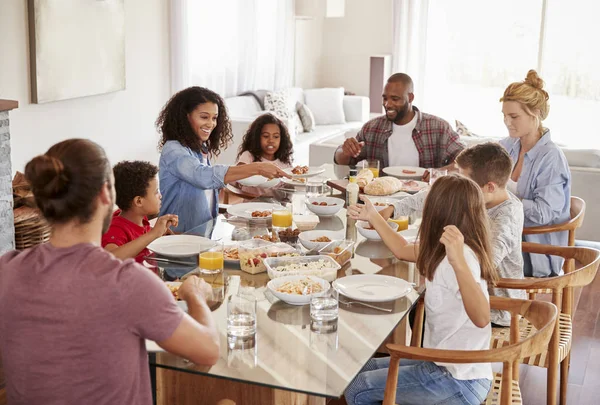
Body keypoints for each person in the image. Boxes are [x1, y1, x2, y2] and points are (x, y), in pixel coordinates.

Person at [0, 139, 220, 405]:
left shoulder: (7, 270)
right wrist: (194, 294)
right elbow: (208, 351)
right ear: (106, 195)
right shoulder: (127, 282)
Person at [344, 174, 496, 405]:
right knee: (358, 368)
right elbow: (403, 248)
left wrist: (458, 263)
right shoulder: (443, 248)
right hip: (441, 363)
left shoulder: (461, 256)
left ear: (438, 212)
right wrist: (373, 215)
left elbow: (482, 317)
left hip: (458, 380)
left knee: (357, 388)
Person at [359, 143, 525, 326]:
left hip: (495, 309)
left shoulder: (507, 216)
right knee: (418, 304)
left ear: (490, 187)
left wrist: (441, 251)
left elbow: (485, 263)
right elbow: (439, 195)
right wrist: (393, 209)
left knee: (418, 306)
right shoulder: (474, 197)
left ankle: (420, 352)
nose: (458, 186)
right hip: (461, 290)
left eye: (464, 181)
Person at [157, 86, 291, 232]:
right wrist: (257, 168)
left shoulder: (199, 149)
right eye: (204, 117)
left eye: (214, 118)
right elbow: (202, 176)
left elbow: (207, 191)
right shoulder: (173, 149)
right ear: (185, 116)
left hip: (202, 235)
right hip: (178, 237)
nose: (211, 124)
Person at [499, 69, 571, 277]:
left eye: (514, 116)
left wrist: (501, 198)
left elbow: (543, 214)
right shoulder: (510, 145)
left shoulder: (551, 158)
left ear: (536, 113)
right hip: (509, 238)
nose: (507, 122)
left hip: (535, 251)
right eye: (504, 115)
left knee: (466, 260)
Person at [334, 73, 465, 180]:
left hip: (425, 199)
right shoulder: (372, 128)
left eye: (395, 99)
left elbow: (466, 161)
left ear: (410, 97)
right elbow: (343, 160)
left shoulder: (439, 128)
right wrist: (344, 151)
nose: (387, 104)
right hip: (381, 199)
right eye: (385, 98)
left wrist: (439, 173)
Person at [102, 160, 178, 265]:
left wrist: (159, 231)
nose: (160, 196)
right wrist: (153, 234)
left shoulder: (140, 218)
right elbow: (110, 260)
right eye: (156, 192)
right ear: (139, 201)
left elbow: (137, 233)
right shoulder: (116, 228)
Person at [235, 113, 294, 195]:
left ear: (282, 139)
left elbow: (290, 187)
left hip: (278, 205)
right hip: (253, 205)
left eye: (276, 137)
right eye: (266, 136)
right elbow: (238, 173)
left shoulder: (284, 162)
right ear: (256, 137)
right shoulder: (248, 156)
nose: (271, 140)